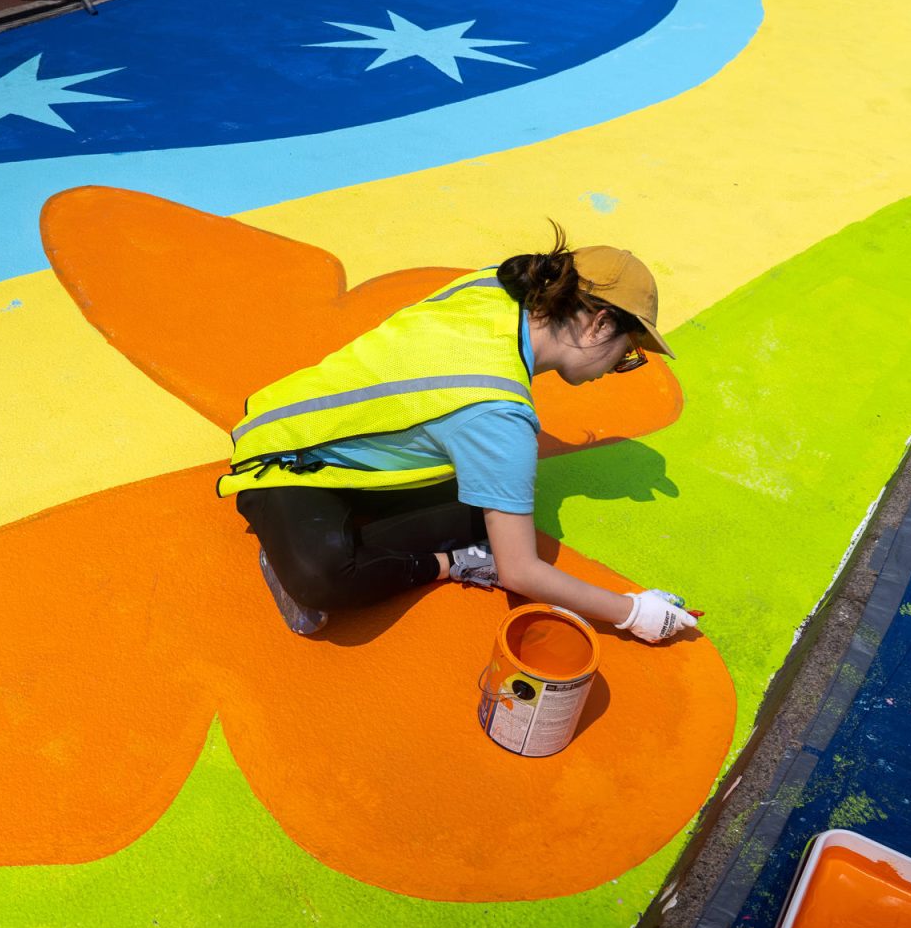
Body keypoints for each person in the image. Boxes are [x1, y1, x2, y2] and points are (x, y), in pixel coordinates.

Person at [216, 226, 698, 643]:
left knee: (501, 510)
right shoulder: (496, 411)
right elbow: (521, 573)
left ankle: (332, 531)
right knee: (328, 577)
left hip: (307, 417)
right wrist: (635, 613)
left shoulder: (492, 288)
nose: (620, 366)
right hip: (280, 458)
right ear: (599, 324)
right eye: (629, 353)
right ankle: (449, 563)